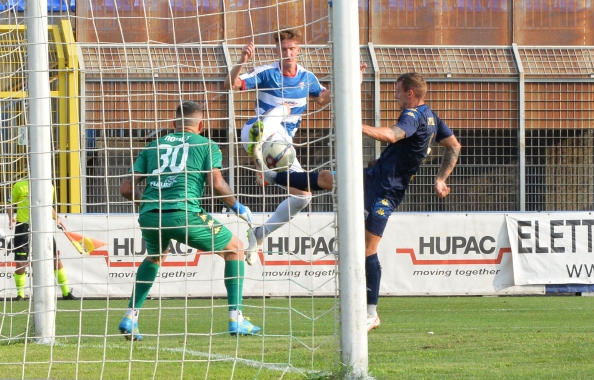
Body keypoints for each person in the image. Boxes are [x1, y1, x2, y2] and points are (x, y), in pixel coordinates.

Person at [263, 73, 461, 332]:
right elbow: (454, 145)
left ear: (410, 94)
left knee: (368, 249)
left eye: (398, 91)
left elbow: (392, 135)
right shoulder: (432, 117)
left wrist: (356, 126)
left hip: (386, 192)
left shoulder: (412, 116)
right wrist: (441, 178)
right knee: (325, 178)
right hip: (372, 177)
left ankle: (371, 313)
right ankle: (270, 175)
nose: (395, 95)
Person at [118, 101, 260, 341]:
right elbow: (217, 183)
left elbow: (125, 188)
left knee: (155, 256)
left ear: (174, 124)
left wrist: (147, 204)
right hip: (184, 212)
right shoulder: (206, 144)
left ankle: (130, 317)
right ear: (201, 125)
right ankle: (237, 319)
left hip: (150, 215)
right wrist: (237, 207)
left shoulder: (153, 146)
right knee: (235, 249)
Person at [223, 29, 366, 247]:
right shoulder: (266, 73)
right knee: (283, 108)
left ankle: (260, 233)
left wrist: (352, 82)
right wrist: (242, 61)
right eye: (283, 49)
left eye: (291, 49)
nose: (287, 53)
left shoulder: (307, 78)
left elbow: (323, 99)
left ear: (298, 50)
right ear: (277, 51)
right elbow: (231, 85)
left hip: (281, 147)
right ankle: (258, 157)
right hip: (255, 132)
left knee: (303, 196)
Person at [8, 177, 77, 301]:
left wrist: (57, 218)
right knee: (20, 262)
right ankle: (20, 295)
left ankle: (66, 293)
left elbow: (48, 206)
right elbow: (10, 203)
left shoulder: (48, 186)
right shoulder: (19, 185)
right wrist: (11, 218)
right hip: (23, 226)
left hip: (43, 226)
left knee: (55, 259)